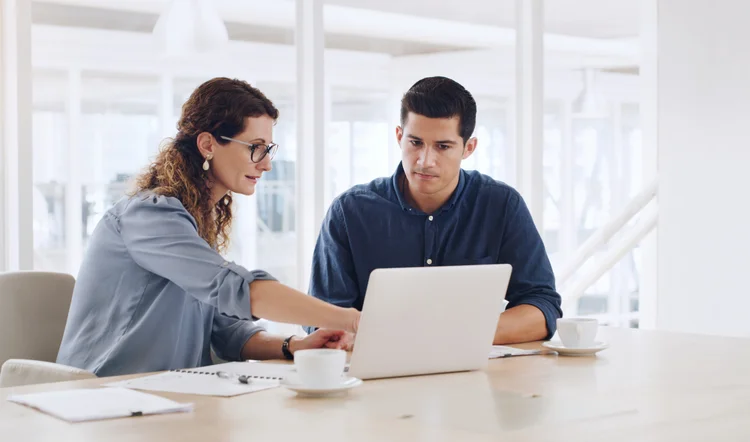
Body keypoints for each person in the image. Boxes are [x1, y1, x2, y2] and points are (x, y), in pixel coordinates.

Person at [57, 78, 359, 377]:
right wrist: (350, 319)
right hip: (104, 393)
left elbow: (226, 331)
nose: (266, 164)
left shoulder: (197, 221)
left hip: (170, 395)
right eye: (255, 148)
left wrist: (294, 345)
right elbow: (237, 290)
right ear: (207, 145)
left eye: (268, 149)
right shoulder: (148, 216)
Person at [309, 76, 562, 344]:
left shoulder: (502, 205)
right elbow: (323, 320)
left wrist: (455, 336)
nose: (425, 161)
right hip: (374, 379)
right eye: (415, 143)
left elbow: (543, 306)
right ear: (399, 137)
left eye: (442, 146)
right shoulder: (349, 212)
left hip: (475, 376)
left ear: (469, 148)